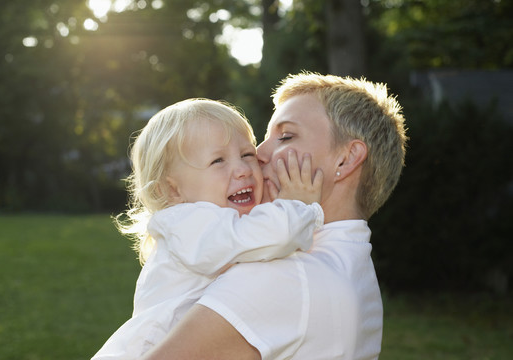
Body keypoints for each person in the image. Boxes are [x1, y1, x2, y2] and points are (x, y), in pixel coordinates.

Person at [138, 72, 408, 360]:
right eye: (265, 138)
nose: (259, 153)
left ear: (346, 158)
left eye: (286, 136)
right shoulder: (356, 271)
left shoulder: (283, 275)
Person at [92, 98, 325, 359]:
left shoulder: (212, 223)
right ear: (172, 190)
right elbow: (272, 236)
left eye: (247, 154)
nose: (242, 170)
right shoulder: (188, 223)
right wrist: (298, 204)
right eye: (218, 161)